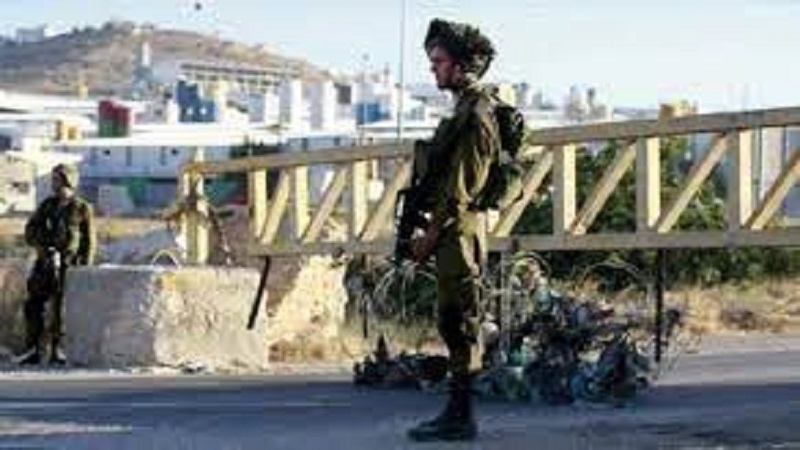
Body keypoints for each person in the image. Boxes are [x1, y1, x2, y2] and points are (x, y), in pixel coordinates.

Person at [406, 18, 500, 442]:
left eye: (440, 61)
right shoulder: (463, 109)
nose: (434, 68)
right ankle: (456, 413)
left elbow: (462, 189)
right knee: (451, 319)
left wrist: (428, 237)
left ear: (462, 65)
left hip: (458, 232)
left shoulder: (477, 114)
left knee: (461, 320)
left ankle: (461, 417)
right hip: (450, 230)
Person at [16, 164, 95, 365]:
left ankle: (58, 350)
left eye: (57, 179)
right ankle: (33, 349)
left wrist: (84, 268)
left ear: (68, 180)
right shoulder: (47, 205)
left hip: (69, 265)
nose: (54, 183)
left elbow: (89, 241)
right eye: (53, 179)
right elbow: (30, 230)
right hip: (46, 262)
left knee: (61, 308)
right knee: (34, 305)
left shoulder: (82, 208)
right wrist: (43, 246)